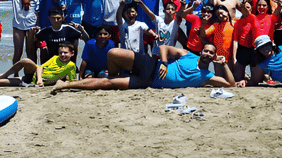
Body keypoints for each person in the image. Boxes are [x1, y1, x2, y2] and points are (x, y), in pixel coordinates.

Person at [50, 43, 235, 93]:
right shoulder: (188, 54)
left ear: (213, 57)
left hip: (147, 82)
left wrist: (225, 65)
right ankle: (118, 73)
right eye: (205, 51)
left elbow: (230, 84)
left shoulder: (207, 76)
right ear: (201, 51)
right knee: (113, 53)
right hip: (150, 64)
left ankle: (64, 85)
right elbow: (163, 47)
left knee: (107, 82)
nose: (207, 54)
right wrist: (163, 62)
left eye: (211, 53)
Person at [1, 0, 40, 68]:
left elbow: (36, 12)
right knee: (17, 52)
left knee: (31, 52)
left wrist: (38, 25)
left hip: (31, 27)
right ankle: (15, 73)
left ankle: (32, 73)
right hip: (18, 27)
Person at [0, 42, 77, 87]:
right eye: (61, 53)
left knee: (4, 82)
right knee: (26, 60)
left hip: (31, 82)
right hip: (36, 75)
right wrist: (39, 80)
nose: (63, 55)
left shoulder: (71, 65)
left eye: (65, 53)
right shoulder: (55, 58)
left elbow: (71, 81)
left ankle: (4, 78)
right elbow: (39, 68)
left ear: (72, 53)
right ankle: (4, 75)